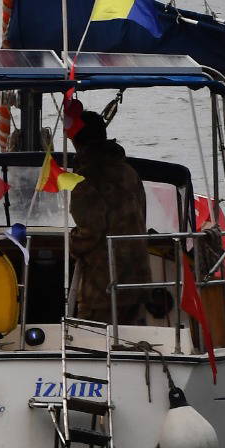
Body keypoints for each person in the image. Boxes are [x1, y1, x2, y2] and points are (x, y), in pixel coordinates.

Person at [68, 111, 150, 325]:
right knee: (129, 336)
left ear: (77, 141)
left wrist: (71, 243)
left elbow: (88, 234)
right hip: (137, 279)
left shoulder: (85, 179)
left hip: (102, 286)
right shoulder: (129, 172)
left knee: (93, 337)